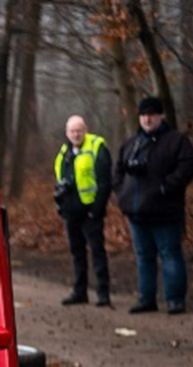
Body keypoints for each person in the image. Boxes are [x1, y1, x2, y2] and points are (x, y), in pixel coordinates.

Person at [113, 95, 193, 315]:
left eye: (151, 115)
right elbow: (117, 171)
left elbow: (188, 167)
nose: (147, 120)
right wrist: (122, 194)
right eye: (143, 115)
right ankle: (146, 298)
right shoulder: (132, 143)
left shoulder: (176, 140)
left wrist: (166, 187)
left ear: (161, 116)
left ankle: (175, 300)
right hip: (136, 212)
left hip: (165, 211)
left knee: (170, 254)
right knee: (143, 257)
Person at [54, 115, 112, 307]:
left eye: (79, 130)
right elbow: (60, 181)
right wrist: (61, 205)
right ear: (67, 133)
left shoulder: (96, 147)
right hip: (71, 212)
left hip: (90, 212)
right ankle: (80, 291)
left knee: (97, 251)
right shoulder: (64, 152)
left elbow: (105, 182)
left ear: (85, 130)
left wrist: (97, 209)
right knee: (76, 252)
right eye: (72, 131)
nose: (76, 134)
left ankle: (103, 293)